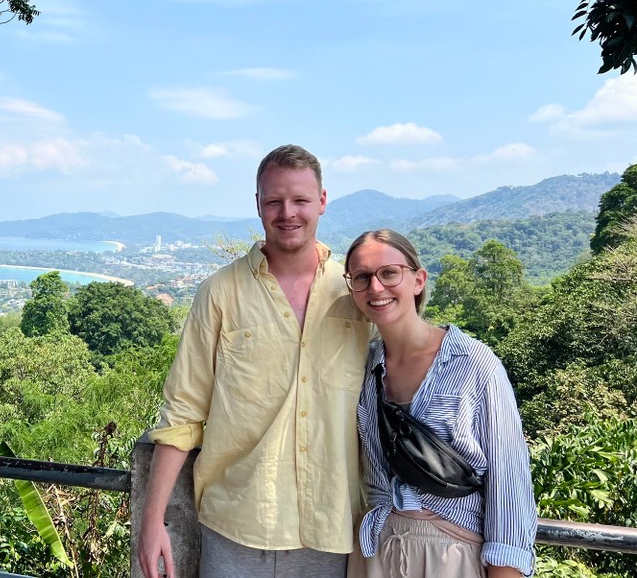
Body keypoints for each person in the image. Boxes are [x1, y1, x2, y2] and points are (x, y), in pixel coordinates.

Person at [137, 145, 374, 578]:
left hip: (333, 528)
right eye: (274, 201)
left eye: (301, 200)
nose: (288, 213)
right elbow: (184, 411)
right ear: (258, 204)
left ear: (322, 201)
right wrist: (152, 521)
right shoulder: (220, 293)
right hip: (238, 525)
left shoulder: (355, 295)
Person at [343, 229, 536, 578]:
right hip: (374, 552)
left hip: (452, 555)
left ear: (418, 280)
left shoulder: (474, 364)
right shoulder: (363, 368)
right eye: (362, 277)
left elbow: (510, 487)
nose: (375, 287)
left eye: (389, 273)